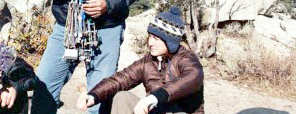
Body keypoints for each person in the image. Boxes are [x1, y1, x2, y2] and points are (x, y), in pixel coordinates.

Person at [76, 7, 204, 114]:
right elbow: (120, 79)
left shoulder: (186, 58)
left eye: (156, 39)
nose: (150, 43)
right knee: (121, 98)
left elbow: (193, 77)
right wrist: (93, 95)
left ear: (170, 42)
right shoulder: (147, 61)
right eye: (150, 37)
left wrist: (157, 97)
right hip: (156, 111)